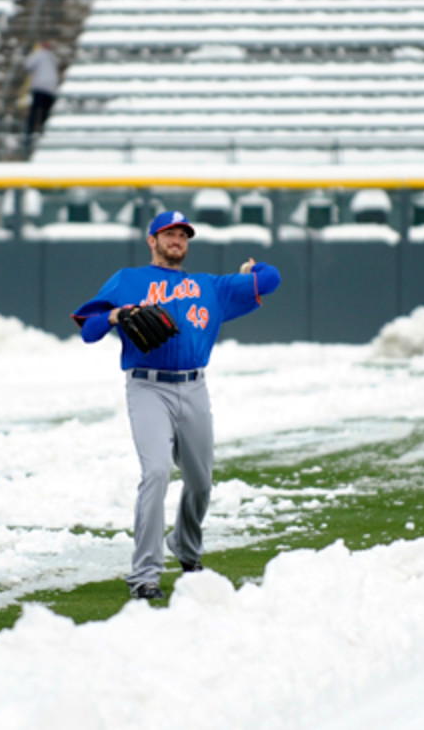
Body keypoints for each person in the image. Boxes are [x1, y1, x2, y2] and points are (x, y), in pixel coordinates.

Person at [72, 210, 282, 600]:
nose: (177, 240)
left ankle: (186, 547)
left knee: (201, 482)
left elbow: (271, 280)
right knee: (155, 473)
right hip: (147, 388)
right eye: (169, 234)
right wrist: (117, 314)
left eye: (184, 235)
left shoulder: (210, 287)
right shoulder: (128, 280)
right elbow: (88, 329)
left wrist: (254, 267)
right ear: (152, 240)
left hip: (194, 387)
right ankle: (144, 575)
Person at [23, 41, 59, 149]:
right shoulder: (51, 57)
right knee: (44, 111)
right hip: (50, 88)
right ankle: (41, 130)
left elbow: (27, 65)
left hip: (41, 86)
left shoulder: (39, 54)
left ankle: (31, 131)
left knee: (36, 110)